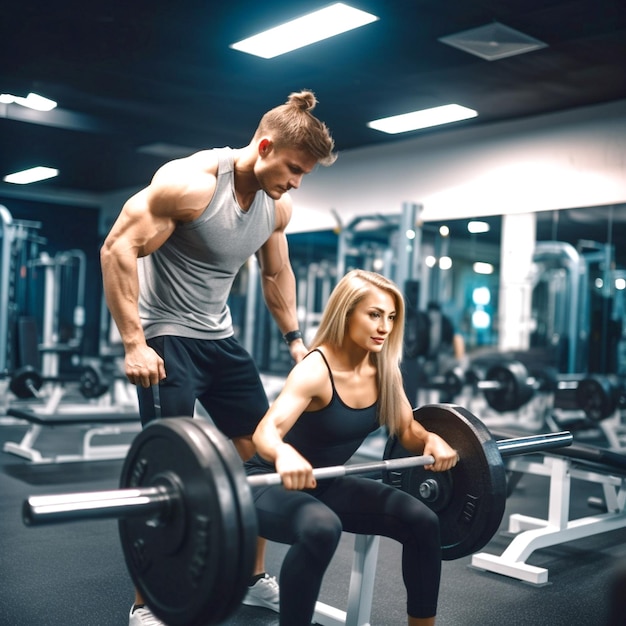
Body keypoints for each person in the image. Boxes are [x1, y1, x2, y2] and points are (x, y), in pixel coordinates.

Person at [100, 90, 337, 626]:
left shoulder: (279, 205)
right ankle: (147, 601)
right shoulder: (193, 184)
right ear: (265, 145)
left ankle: (254, 579)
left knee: (259, 452)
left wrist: (296, 341)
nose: (297, 182)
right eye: (294, 169)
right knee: (166, 472)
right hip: (167, 338)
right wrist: (134, 344)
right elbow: (118, 247)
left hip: (221, 341)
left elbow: (277, 274)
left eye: (304, 175)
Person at [245, 269, 459, 626]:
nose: (385, 327)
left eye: (391, 317)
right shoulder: (315, 369)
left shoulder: (385, 372)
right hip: (268, 485)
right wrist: (284, 454)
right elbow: (265, 432)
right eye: (374, 314)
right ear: (346, 313)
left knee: (422, 520)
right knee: (321, 527)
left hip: (324, 484)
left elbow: (406, 430)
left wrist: (430, 440)